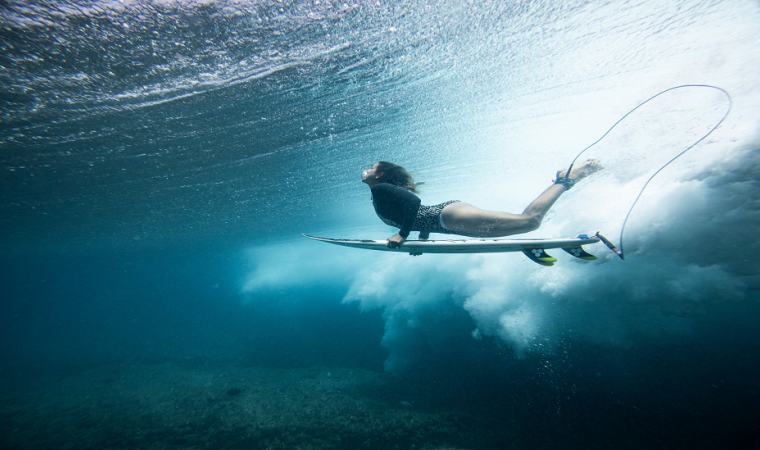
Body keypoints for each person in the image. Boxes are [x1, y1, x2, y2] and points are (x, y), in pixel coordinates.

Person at [361, 160, 602, 248]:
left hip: (450, 217)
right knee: (528, 225)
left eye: (372, 168)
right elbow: (414, 214)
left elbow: (415, 202)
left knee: (529, 221)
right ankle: (561, 187)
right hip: (448, 221)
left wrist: (402, 236)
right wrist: (422, 239)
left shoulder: (381, 189)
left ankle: (566, 178)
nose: (367, 170)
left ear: (381, 176)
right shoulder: (381, 191)